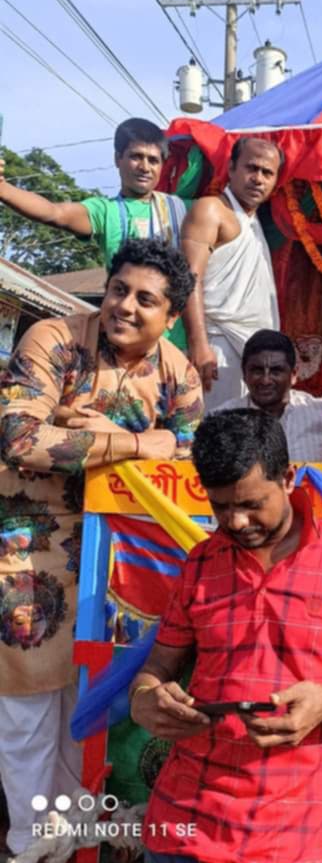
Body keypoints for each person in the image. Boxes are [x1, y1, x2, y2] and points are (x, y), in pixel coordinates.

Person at [130, 408, 322, 863]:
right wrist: (144, 698)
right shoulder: (202, 561)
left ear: (289, 478)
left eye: (251, 504)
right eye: (221, 506)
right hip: (183, 817)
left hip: (290, 828)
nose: (236, 521)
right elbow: (158, 666)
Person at [0, 238, 203, 857]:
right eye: (119, 290)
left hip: (118, 551)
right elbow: (17, 438)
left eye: (146, 300)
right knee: (27, 703)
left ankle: (72, 831)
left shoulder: (180, 373)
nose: (125, 307)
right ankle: (33, 837)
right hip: (28, 537)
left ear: (171, 317)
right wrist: (141, 443)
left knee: (83, 701)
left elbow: (197, 457)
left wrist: (105, 432)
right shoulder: (54, 340)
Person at [0, 118, 190, 350]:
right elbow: (54, 213)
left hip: (175, 346)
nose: (144, 167)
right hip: (123, 339)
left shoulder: (182, 209)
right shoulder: (105, 212)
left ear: (162, 165)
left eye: (153, 160)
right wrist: (3, 188)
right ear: (117, 159)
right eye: (135, 156)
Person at [181, 137, 282, 411]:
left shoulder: (252, 218)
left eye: (267, 173)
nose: (258, 179)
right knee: (220, 437)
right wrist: (200, 345)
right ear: (231, 167)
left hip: (257, 355)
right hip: (219, 349)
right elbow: (189, 279)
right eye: (251, 168)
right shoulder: (211, 209)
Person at [214, 329, 322, 463]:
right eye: (257, 370)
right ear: (244, 374)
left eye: (276, 371)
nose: (266, 380)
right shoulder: (222, 420)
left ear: (294, 375)